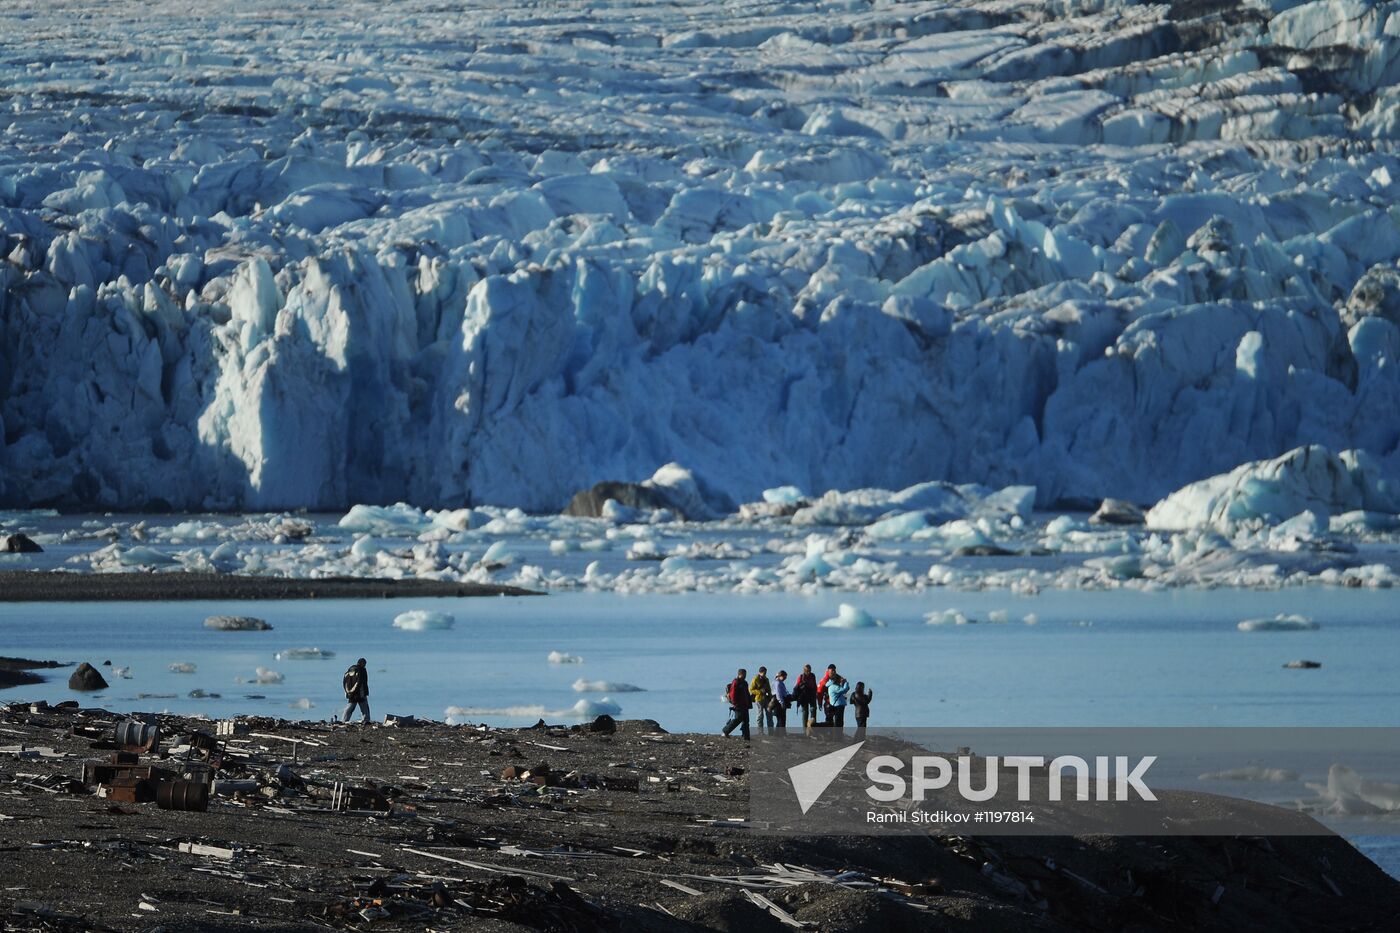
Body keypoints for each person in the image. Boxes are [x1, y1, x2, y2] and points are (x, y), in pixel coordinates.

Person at [722, 668, 752, 740]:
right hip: (738, 705)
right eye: (744, 674)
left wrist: (749, 702)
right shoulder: (736, 682)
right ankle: (725, 731)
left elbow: (747, 693)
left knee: (746, 721)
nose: (745, 676)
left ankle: (746, 736)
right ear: (740, 674)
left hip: (745, 704)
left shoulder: (745, 683)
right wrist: (735, 703)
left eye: (745, 674)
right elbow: (733, 694)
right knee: (737, 719)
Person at [341, 658, 370, 724]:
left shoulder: (350, 670)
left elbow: (344, 681)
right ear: (362, 663)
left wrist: (348, 691)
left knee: (349, 707)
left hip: (351, 693)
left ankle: (344, 720)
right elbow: (361, 681)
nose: (365, 665)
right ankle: (366, 720)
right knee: (364, 707)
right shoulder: (362, 670)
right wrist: (363, 692)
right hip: (360, 693)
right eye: (364, 664)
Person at [794, 664, 818, 731]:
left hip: (812, 695)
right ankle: (805, 729)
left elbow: (815, 685)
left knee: (813, 710)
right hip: (804, 696)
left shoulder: (813, 676)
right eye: (807, 670)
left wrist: (816, 693)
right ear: (804, 670)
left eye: (809, 670)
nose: (809, 672)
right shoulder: (801, 677)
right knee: (805, 712)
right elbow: (796, 687)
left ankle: (813, 727)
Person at [750, 667, 774, 733]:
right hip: (758, 699)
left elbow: (769, 689)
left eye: (766, 673)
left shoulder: (766, 679)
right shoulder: (755, 679)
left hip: (766, 699)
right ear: (760, 672)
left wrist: (771, 697)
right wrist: (759, 691)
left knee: (769, 714)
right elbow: (751, 690)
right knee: (760, 715)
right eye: (764, 673)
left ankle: (771, 731)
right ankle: (760, 732)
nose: (765, 674)